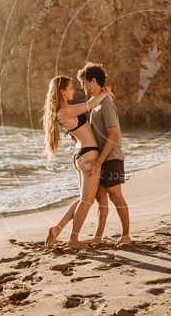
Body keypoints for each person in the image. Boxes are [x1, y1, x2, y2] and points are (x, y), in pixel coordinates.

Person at [42, 75, 112, 249]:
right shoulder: (64, 112)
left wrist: (102, 95)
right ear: (62, 91)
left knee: (83, 199)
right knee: (86, 201)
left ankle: (57, 229)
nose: (74, 90)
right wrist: (105, 92)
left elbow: (88, 106)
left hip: (82, 155)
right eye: (71, 87)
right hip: (88, 155)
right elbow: (90, 105)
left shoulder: (65, 111)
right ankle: (73, 240)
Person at [77, 63, 132, 246]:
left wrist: (100, 161)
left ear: (93, 81)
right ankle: (98, 236)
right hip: (101, 157)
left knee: (115, 195)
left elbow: (114, 134)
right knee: (101, 197)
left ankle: (126, 236)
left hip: (112, 157)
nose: (83, 87)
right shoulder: (99, 103)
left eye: (84, 83)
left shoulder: (107, 103)